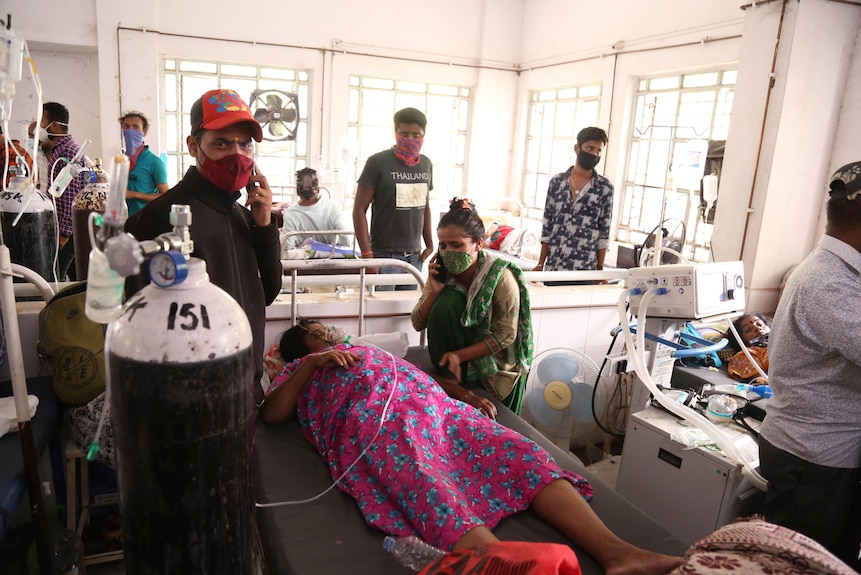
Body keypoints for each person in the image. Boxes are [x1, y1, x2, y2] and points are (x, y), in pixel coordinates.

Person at [260, 324, 683, 574]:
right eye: (316, 334)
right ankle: (496, 562)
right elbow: (274, 415)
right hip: (383, 425)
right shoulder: (304, 370)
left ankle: (619, 553)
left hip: (441, 412)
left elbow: (420, 375)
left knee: (521, 453)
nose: (328, 333)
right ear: (303, 350)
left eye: (326, 329)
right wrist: (313, 364)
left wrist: (461, 394)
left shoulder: (367, 351)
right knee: (424, 476)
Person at [125, 88, 282, 395]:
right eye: (221, 143)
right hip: (192, 395)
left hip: (246, 385)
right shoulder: (160, 218)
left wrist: (265, 226)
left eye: (245, 144)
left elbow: (268, 293)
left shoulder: (243, 215)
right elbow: (141, 325)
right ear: (194, 145)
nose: (237, 155)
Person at [758, 160, 861, 571]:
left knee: (832, 560)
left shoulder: (844, 275)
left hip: (827, 453)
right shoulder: (830, 283)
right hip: (813, 458)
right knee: (799, 566)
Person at [410, 198, 533, 415]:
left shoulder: (500, 277)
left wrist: (460, 356)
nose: (448, 252)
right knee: (446, 301)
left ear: (478, 243)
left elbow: (506, 334)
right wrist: (434, 293)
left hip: (498, 371)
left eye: (457, 245)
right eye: (443, 245)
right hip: (453, 369)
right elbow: (418, 322)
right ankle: (450, 377)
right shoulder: (441, 270)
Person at [353, 107, 434, 290]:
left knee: (404, 312)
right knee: (379, 311)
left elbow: (424, 206)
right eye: (405, 134)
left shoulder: (426, 164)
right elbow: (359, 209)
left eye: (416, 134)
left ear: (423, 135)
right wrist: (367, 256)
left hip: (415, 256)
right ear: (396, 132)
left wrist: (429, 244)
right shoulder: (378, 162)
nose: (411, 139)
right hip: (383, 255)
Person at [533, 127, 613, 286]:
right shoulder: (557, 183)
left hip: (586, 268)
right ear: (577, 148)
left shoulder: (605, 188)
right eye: (590, 148)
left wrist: (600, 269)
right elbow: (547, 226)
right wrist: (541, 264)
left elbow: (604, 233)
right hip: (556, 265)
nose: (594, 154)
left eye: (598, 151)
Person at [39, 102, 87, 280]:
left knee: (56, 275)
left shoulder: (68, 152)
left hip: (68, 230)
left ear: (55, 125)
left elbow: (70, 195)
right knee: (73, 275)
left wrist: (64, 234)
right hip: (66, 227)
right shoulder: (61, 149)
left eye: (42, 120)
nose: (40, 126)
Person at [282, 167, 353, 250]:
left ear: (297, 191)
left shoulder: (290, 213)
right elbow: (347, 238)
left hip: (302, 261)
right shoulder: (333, 207)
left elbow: (288, 247)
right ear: (318, 190)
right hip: (332, 258)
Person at [119, 111, 169, 216]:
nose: (130, 131)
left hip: (146, 220)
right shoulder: (121, 160)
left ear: (144, 132)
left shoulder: (154, 162)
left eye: (135, 127)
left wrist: (134, 195)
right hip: (123, 219)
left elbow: (166, 196)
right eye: (126, 127)